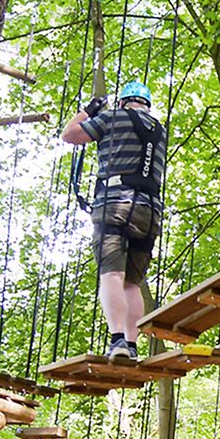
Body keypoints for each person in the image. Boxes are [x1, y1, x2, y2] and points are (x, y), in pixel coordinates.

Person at [61, 79, 167, 363]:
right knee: (133, 283)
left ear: (123, 102)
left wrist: (88, 111)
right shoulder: (160, 131)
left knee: (111, 274)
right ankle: (131, 345)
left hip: (115, 204)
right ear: (146, 105)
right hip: (150, 212)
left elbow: (70, 135)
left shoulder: (112, 117)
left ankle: (117, 339)